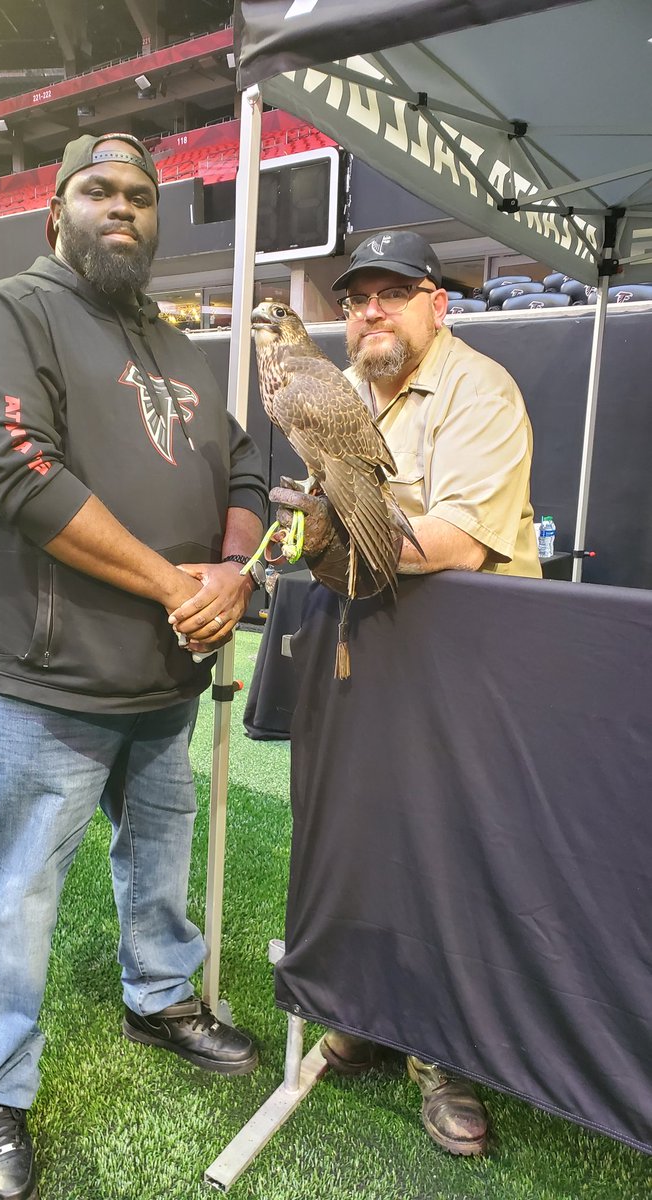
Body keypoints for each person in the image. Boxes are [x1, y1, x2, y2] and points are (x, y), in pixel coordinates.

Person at [0, 132, 268, 1200]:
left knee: (159, 863)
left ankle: (161, 997)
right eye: (98, 191)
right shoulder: (13, 312)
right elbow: (10, 465)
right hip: (53, 678)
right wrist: (178, 587)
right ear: (57, 214)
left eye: (139, 195)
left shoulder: (171, 339)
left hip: (168, 676)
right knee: (21, 887)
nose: (121, 207)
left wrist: (228, 571)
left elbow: (248, 464)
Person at [274, 230, 541, 1158]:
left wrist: (341, 545)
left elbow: (459, 541)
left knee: (450, 858)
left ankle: (445, 1052)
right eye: (355, 299)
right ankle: (378, 1015)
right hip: (379, 649)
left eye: (393, 294)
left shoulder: (480, 390)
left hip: (466, 667)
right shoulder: (343, 397)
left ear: (440, 302)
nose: (370, 313)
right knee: (374, 840)